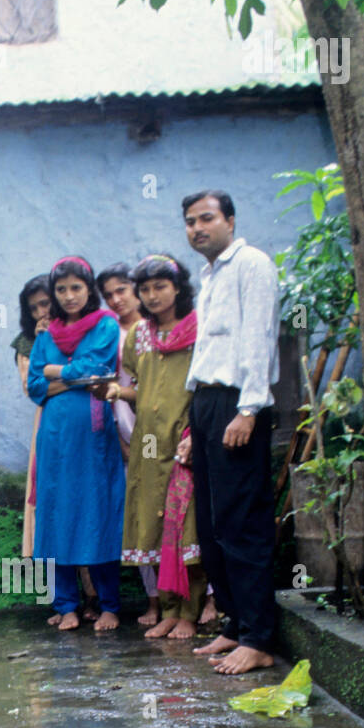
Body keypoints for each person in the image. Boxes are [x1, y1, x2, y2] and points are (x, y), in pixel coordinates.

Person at [181, 190, 279, 674]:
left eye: (207, 218)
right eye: (190, 222)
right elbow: (208, 353)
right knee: (214, 521)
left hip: (238, 402)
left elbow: (258, 337)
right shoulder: (209, 274)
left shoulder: (252, 264)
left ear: (230, 221)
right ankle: (236, 624)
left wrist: (249, 408)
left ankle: (259, 638)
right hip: (206, 404)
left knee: (243, 521)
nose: (197, 228)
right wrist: (192, 421)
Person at [106, 255, 207, 639]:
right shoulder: (139, 336)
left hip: (185, 439)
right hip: (147, 441)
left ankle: (190, 613)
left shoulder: (199, 329)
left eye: (160, 286)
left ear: (178, 287)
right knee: (154, 522)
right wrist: (117, 391)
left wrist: (196, 433)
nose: (152, 295)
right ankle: (167, 609)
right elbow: (138, 388)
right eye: (145, 289)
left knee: (187, 527)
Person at [27, 256, 124, 631]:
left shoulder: (104, 325)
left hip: (93, 433)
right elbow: (35, 386)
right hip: (54, 437)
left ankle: (110, 605)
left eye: (76, 288)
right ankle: (65, 605)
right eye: (62, 289)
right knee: (56, 515)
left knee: (98, 513)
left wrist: (55, 372)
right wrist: (68, 375)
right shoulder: (46, 334)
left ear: (89, 291)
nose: (69, 296)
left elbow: (97, 370)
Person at [97, 261, 160, 628]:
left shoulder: (154, 330)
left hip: (154, 434)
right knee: (137, 520)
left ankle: (200, 598)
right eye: (109, 295)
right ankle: (153, 601)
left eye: (122, 290)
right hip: (123, 434)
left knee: (173, 512)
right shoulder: (108, 334)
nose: (116, 299)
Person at [13, 275, 51, 560]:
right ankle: (68, 596)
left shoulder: (87, 331)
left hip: (92, 420)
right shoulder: (28, 343)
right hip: (49, 422)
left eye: (46, 304)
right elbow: (35, 388)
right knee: (49, 502)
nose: (41, 313)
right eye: (34, 308)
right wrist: (42, 340)